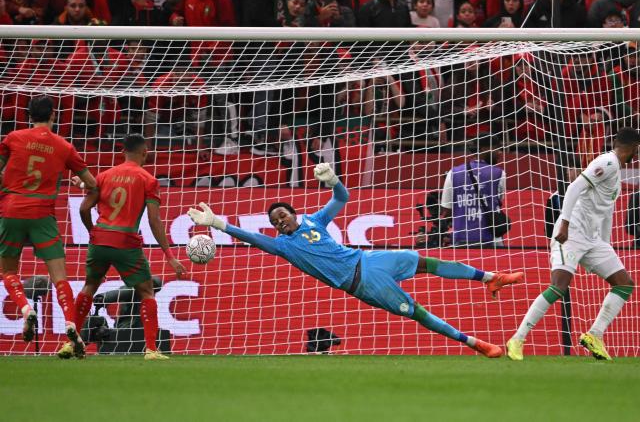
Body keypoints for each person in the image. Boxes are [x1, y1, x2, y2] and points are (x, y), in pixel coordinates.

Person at [187, 163, 523, 357]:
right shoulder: (283, 246)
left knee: (423, 260)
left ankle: (489, 276)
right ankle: (478, 344)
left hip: (369, 258)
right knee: (417, 312)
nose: (279, 222)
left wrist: (333, 179)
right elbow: (253, 237)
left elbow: (342, 198)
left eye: (282, 215)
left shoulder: (314, 221)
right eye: (275, 221)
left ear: (293, 213)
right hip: (363, 283)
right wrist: (218, 223)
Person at [506, 127, 640, 361]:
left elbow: (606, 211)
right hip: (571, 233)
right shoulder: (607, 162)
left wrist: (606, 246)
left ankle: (594, 334)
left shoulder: (616, 170)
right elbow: (574, 187)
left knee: (624, 284)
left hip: (592, 240)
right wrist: (564, 224)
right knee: (558, 286)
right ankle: (517, 338)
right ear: (633, 147)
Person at [57, 134, 186, 360]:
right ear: (145, 153)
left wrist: (93, 232)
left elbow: (84, 209)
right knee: (146, 290)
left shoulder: (104, 176)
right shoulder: (148, 180)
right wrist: (169, 255)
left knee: (89, 286)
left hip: (100, 239)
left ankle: (70, 342)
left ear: (122, 152)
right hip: (126, 241)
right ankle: (151, 350)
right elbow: (154, 221)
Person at [0, 95, 97, 357]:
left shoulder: (13, 138)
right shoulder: (63, 146)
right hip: (43, 213)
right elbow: (92, 183)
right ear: (54, 115)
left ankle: (24, 308)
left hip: (11, 209)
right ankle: (70, 323)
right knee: (59, 276)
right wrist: (79, 182)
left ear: (28, 115)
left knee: (8, 270)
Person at [440, 135, 507, 247]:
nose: (500, 153)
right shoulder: (499, 174)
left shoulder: (453, 173)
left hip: (461, 240)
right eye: (497, 148)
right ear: (483, 149)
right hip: (492, 241)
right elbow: (497, 204)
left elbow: (446, 211)